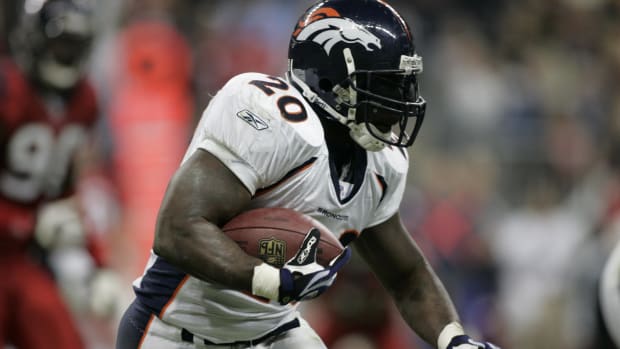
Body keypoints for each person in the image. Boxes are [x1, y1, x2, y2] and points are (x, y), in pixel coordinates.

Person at [116, 1, 499, 348]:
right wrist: (270, 279)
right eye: (386, 84)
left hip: (272, 331)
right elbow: (177, 229)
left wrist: (455, 340)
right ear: (335, 80)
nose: (400, 101)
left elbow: (407, 276)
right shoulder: (273, 120)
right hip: (175, 331)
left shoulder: (381, 164)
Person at [0, 0, 108, 347]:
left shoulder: (84, 100)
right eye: (61, 44)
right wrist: (28, 223)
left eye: (75, 46)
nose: (67, 55)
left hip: (19, 260)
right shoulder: (8, 89)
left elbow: (63, 193)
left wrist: (97, 265)